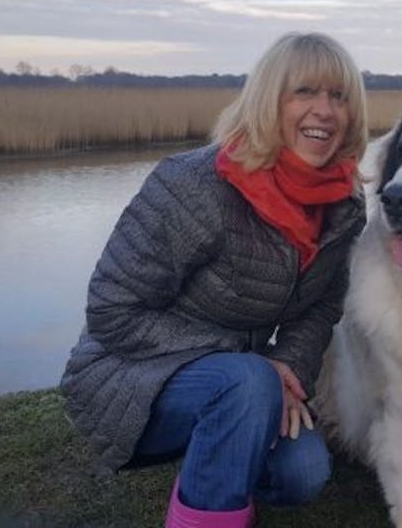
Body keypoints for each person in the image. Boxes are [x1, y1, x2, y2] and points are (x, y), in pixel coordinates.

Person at [60, 32, 369, 527]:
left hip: (242, 379)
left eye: (339, 97)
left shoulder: (343, 204)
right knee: (243, 385)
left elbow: (322, 305)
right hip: (131, 374)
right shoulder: (196, 185)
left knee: (302, 473)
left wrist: (286, 365)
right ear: (269, 100)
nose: (325, 111)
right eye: (304, 92)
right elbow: (112, 310)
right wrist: (244, 368)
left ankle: (214, 457)